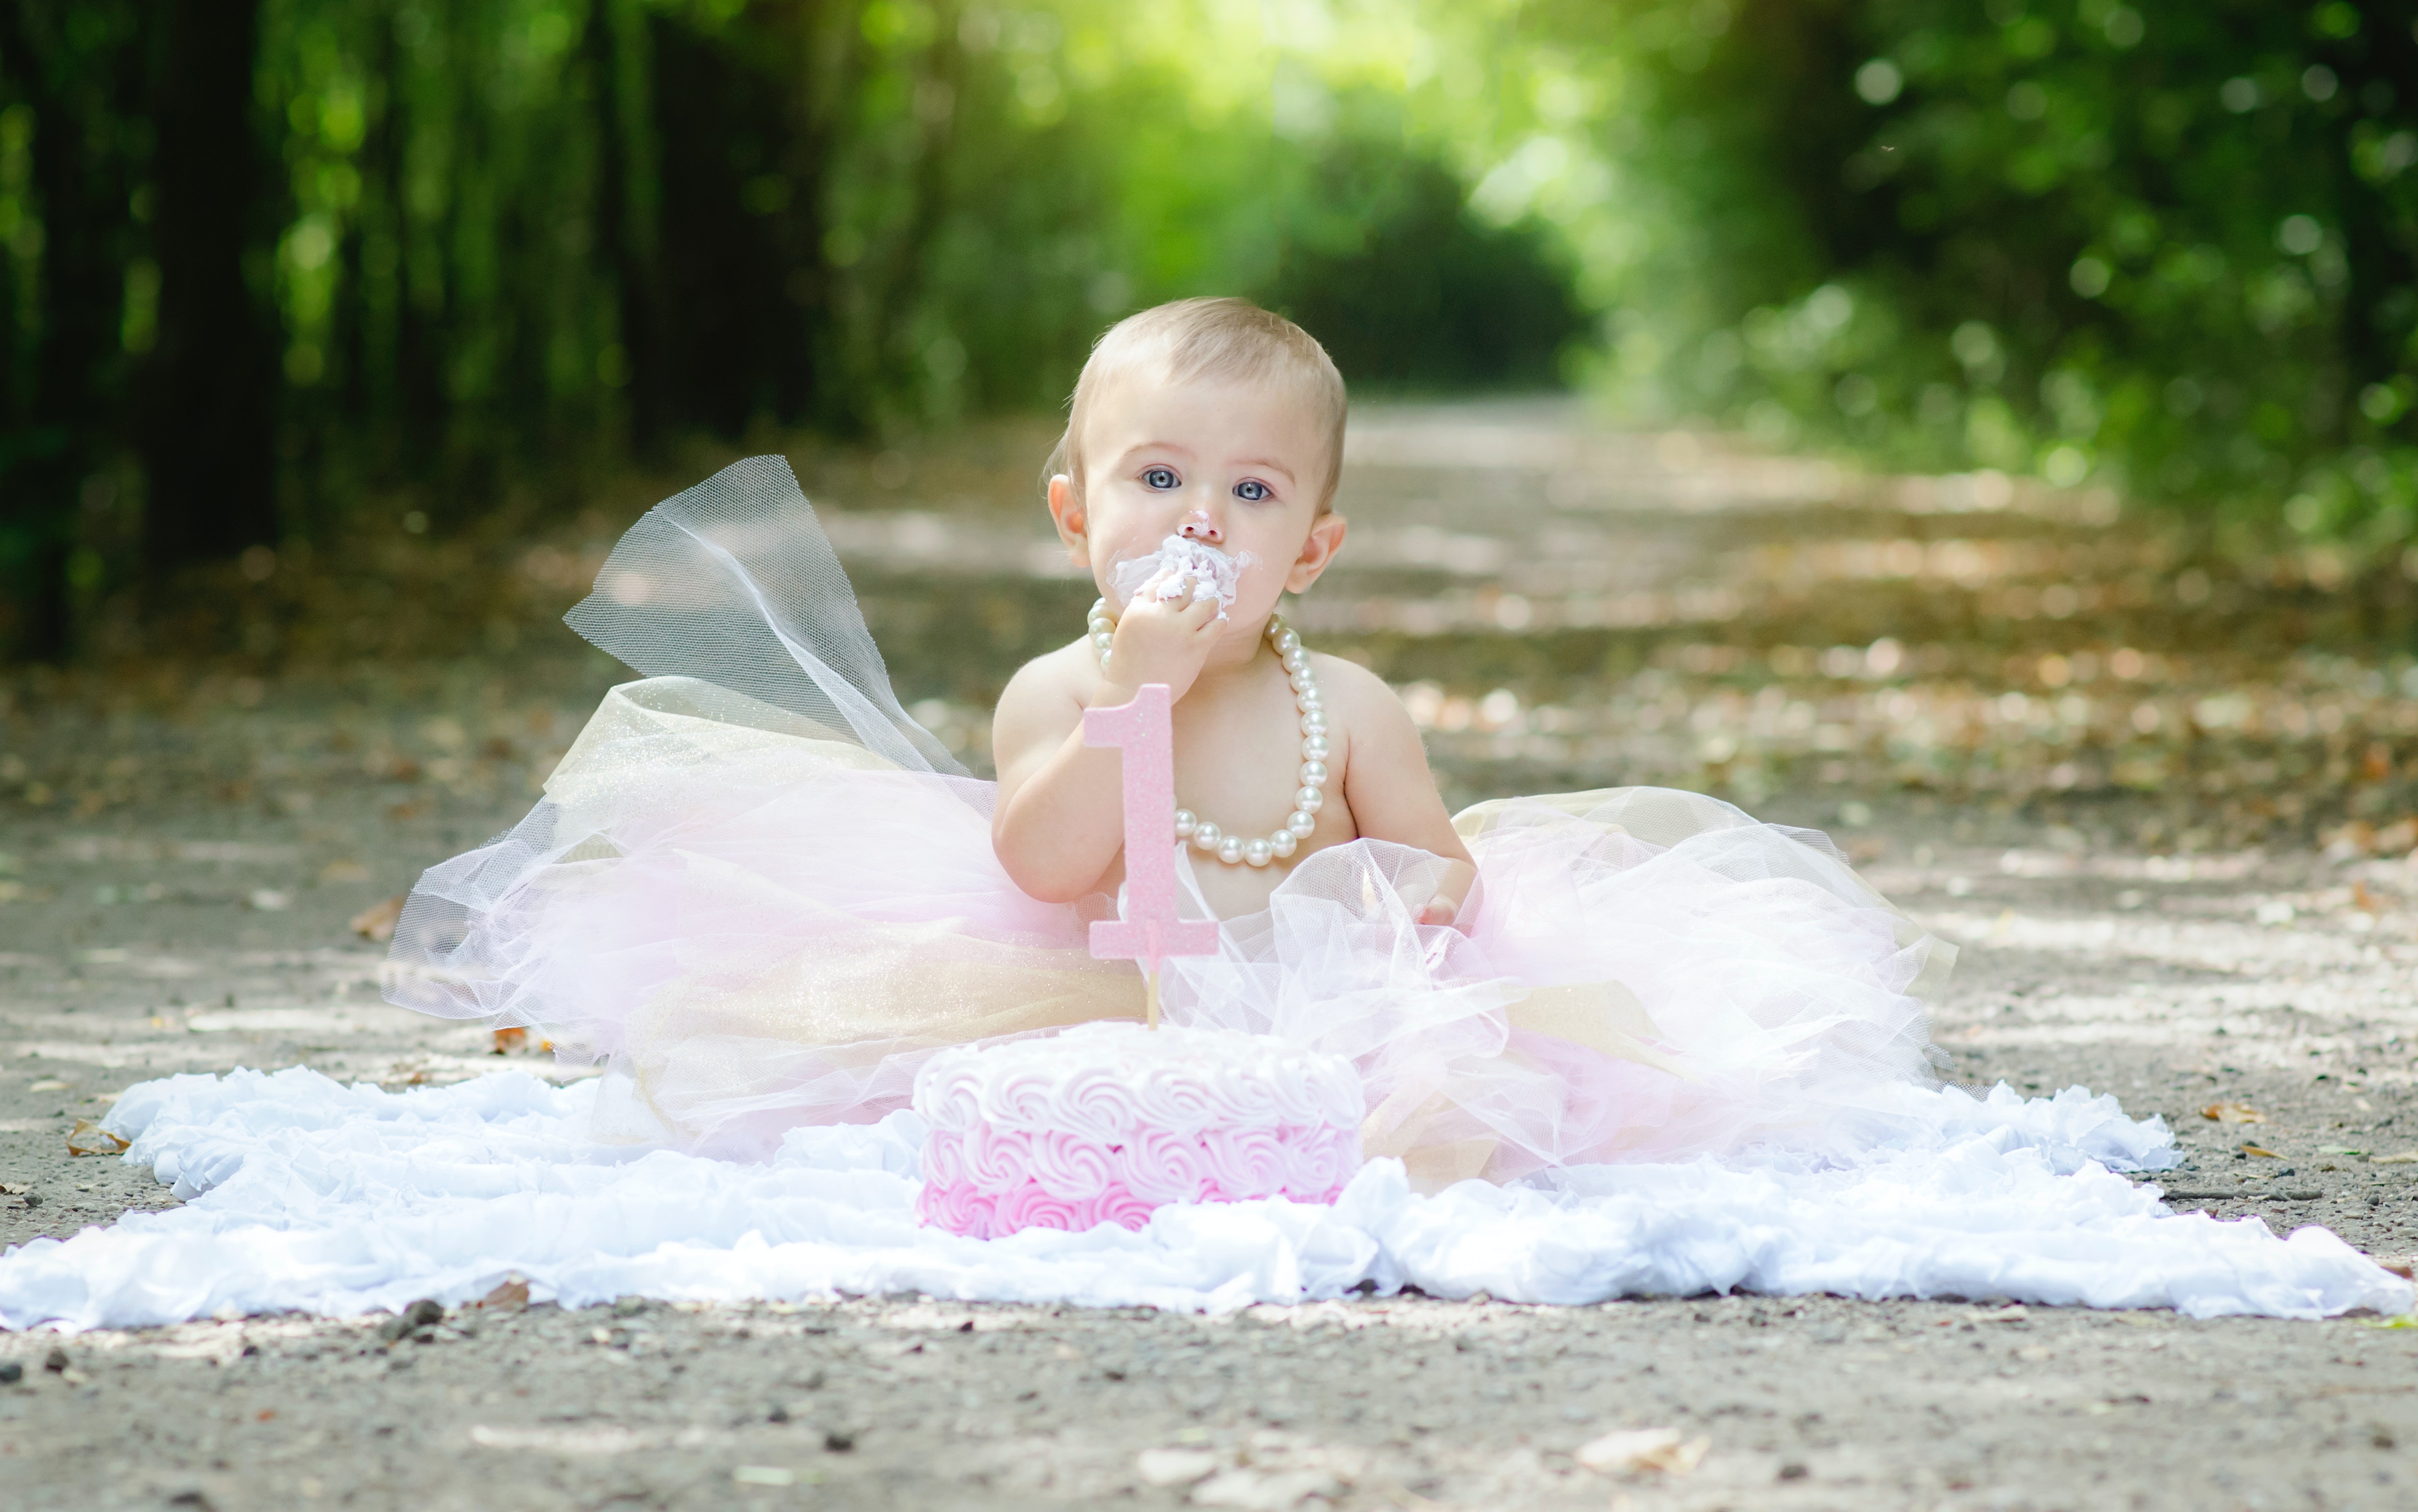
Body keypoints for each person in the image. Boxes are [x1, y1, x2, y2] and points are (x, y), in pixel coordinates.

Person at [384, 298, 1947, 1190]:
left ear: (1310, 550)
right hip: (1087, 992)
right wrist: (1135, 690)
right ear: (1076, 515)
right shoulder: (1056, 690)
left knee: (1459, 1114)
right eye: (1156, 478)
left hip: (1316, 1016)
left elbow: (1440, 878)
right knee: (965, 1103)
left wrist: (1389, 927)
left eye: (1252, 493)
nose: (1201, 519)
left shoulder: (1352, 704)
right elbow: (1045, 862)